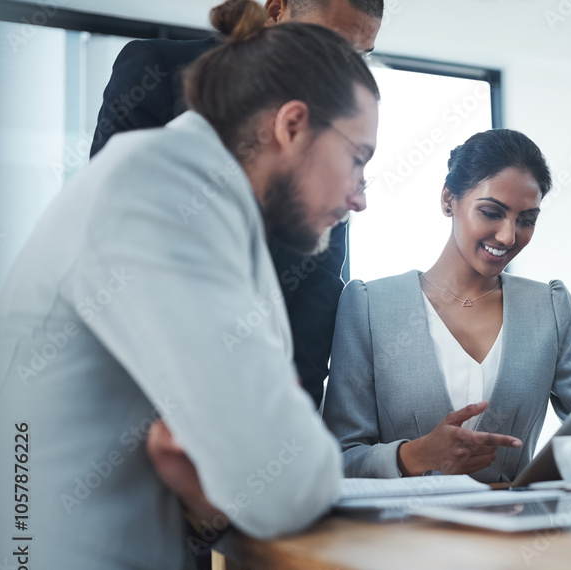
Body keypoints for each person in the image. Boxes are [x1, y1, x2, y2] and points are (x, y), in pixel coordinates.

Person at [0, 2, 378, 570]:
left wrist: (246, 441)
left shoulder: (220, 211)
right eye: (358, 158)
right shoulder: (165, 184)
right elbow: (285, 477)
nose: (360, 196)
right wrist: (253, 443)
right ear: (292, 124)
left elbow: (261, 446)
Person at [90, 0, 384, 408]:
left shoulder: (329, 132)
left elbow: (318, 289)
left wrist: (294, 420)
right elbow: (113, 234)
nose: (344, 71)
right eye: (330, 45)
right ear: (278, 10)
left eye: (359, 57)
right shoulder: (157, 71)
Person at [323, 129, 571, 483]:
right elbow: (339, 459)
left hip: (515, 530)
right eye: (491, 212)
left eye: (527, 220)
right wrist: (415, 455)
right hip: (407, 532)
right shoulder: (369, 306)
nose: (508, 236)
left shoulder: (549, 308)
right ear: (448, 199)